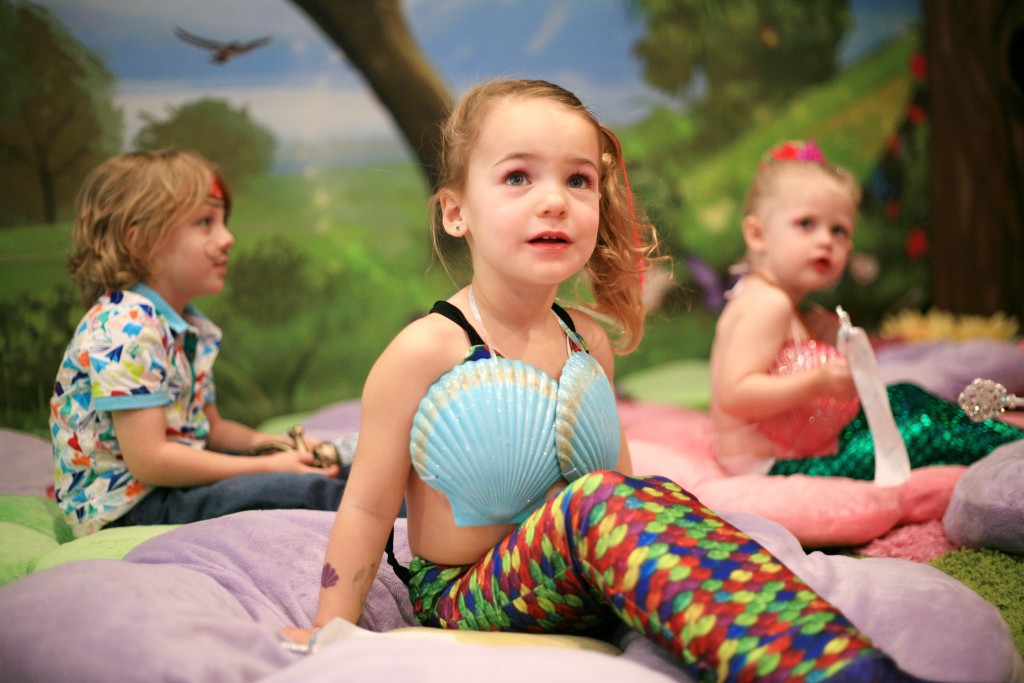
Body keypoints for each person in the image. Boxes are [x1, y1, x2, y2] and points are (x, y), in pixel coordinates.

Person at [283, 82, 935, 681]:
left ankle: (844, 654)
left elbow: (624, 492)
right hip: (471, 594)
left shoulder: (586, 339)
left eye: (579, 179)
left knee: (651, 496)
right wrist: (328, 627)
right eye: (517, 176)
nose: (554, 200)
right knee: (600, 502)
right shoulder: (425, 349)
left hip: (583, 582)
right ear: (456, 212)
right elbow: (368, 506)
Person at [49, 149, 347, 538]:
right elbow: (151, 461)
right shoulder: (125, 326)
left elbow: (212, 430)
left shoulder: (184, 325)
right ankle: (421, 529)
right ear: (140, 241)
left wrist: (272, 445)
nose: (228, 238)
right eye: (205, 222)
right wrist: (266, 468)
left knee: (333, 467)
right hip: (132, 507)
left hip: (174, 485)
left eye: (223, 221)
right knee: (303, 490)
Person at [709, 140, 1023, 478]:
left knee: (904, 396)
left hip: (799, 446)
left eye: (838, 230)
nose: (825, 240)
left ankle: (1003, 437)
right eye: (805, 224)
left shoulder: (779, 300)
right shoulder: (768, 303)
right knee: (921, 428)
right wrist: (818, 382)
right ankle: (1007, 445)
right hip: (771, 463)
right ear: (757, 235)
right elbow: (735, 394)